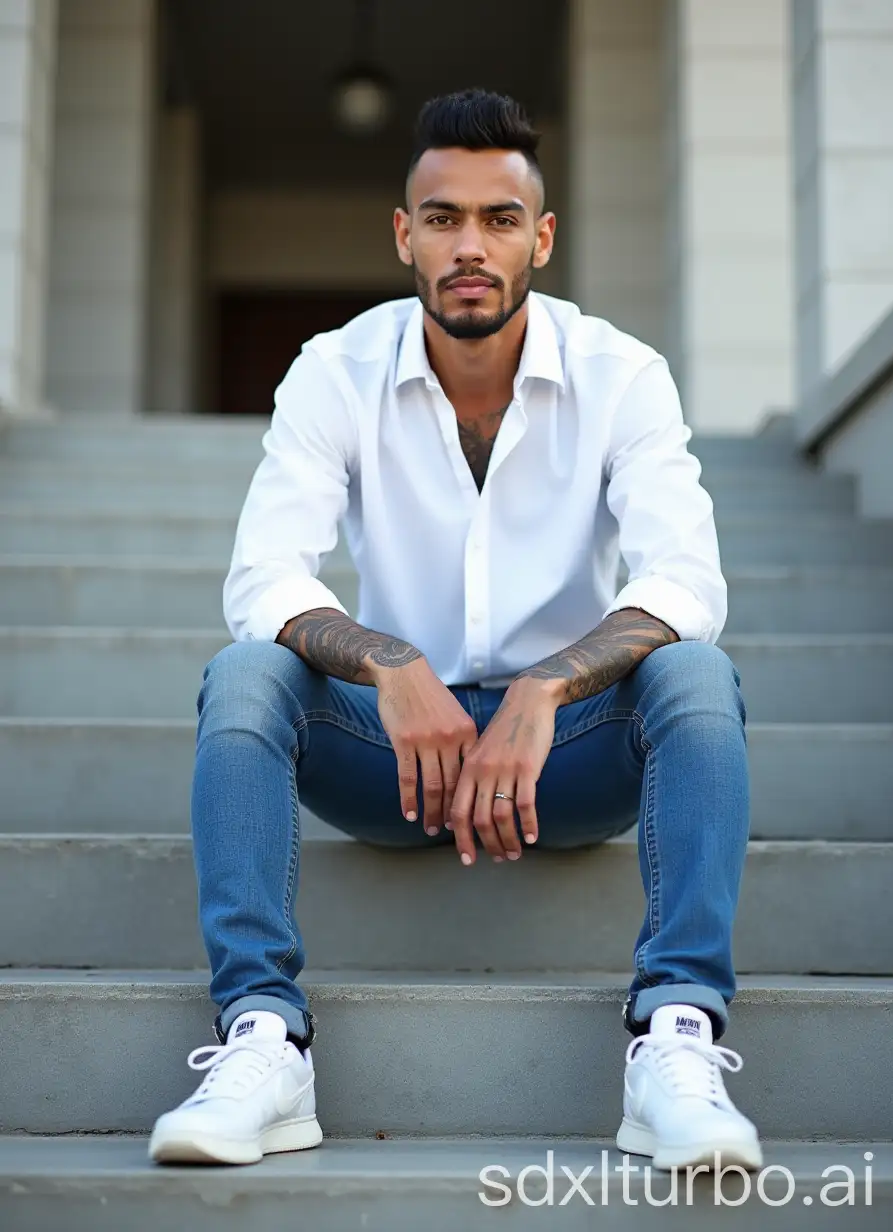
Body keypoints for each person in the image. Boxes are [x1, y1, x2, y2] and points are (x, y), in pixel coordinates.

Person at [148, 88, 760, 1172]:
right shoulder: (333, 369)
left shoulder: (622, 373)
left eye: (497, 217)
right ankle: (263, 1036)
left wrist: (546, 688)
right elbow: (263, 577)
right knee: (245, 673)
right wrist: (390, 662)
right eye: (441, 218)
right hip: (394, 758)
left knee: (697, 676)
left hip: (560, 760)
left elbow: (686, 579)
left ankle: (674, 1035)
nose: (469, 245)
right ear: (403, 234)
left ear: (542, 237)